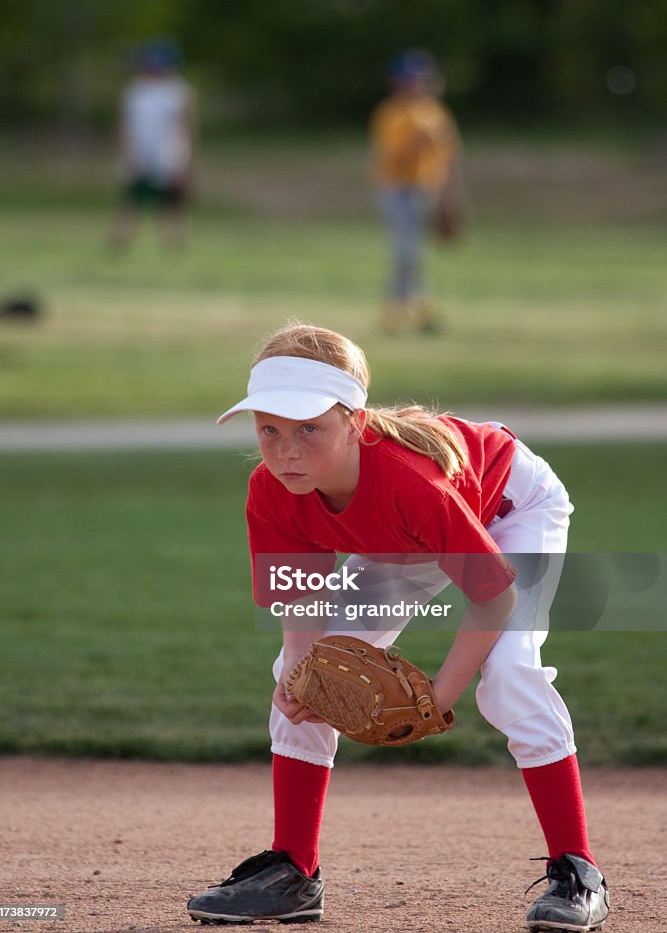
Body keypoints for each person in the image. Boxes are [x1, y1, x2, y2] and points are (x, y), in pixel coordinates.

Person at [187, 322, 610, 932]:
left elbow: (493, 598)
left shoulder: (413, 483)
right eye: (269, 429)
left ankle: (579, 872)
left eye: (311, 428)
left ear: (355, 423)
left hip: (511, 508)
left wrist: (437, 697)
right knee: (299, 679)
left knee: (510, 675)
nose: (287, 451)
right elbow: (300, 602)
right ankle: (291, 873)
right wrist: (304, 677)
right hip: (400, 541)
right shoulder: (273, 489)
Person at [370, 48, 464, 335]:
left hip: (427, 190)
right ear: (398, 82)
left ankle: (413, 314)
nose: (418, 84)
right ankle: (401, 315)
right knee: (407, 253)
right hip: (399, 190)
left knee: (416, 255)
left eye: (422, 78)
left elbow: (447, 159)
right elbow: (391, 161)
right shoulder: (391, 114)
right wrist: (417, 142)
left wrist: (451, 197)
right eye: (410, 79)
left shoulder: (436, 113)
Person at [108, 39, 196, 252]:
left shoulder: (178, 92)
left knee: (171, 203)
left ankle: (174, 243)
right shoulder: (136, 92)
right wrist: (127, 151)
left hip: (168, 156)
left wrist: (184, 158)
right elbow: (126, 125)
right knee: (132, 200)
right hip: (138, 155)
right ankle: (119, 242)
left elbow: (185, 127)